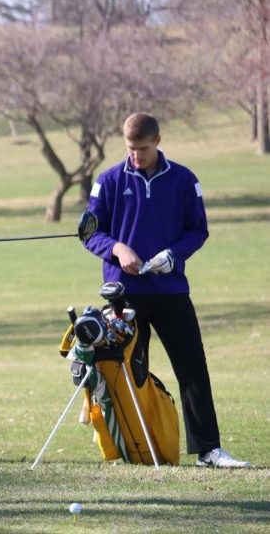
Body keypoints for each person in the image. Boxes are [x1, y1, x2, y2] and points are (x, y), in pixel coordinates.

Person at [83, 112, 249, 469]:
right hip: (124, 294)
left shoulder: (185, 180)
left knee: (192, 366)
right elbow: (90, 233)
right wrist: (118, 249)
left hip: (171, 289)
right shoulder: (108, 180)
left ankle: (208, 450)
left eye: (142, 148)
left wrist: (173, 254)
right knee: (130, 372)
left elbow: (197, 230)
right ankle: (135, 450)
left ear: (158, 141)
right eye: (130, 149)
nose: (136, 156)